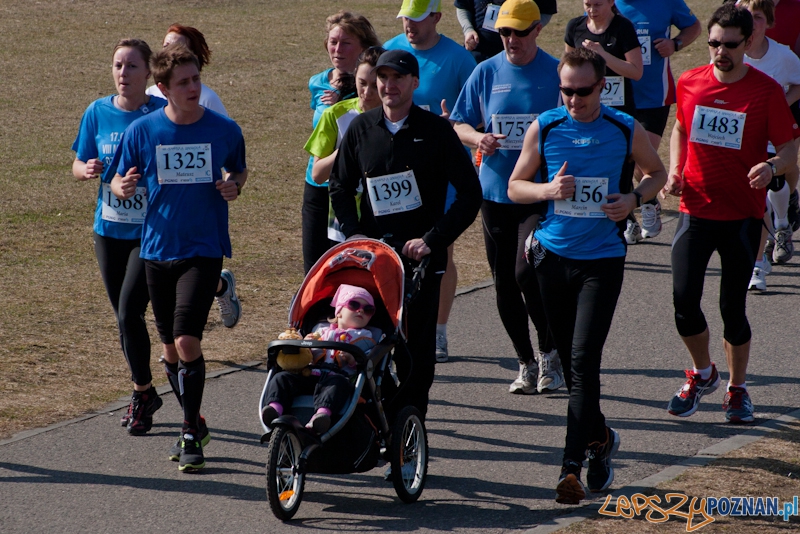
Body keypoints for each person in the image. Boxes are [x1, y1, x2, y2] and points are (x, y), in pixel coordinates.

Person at [507, 48, 667, 504]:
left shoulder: (622, 127)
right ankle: (601, 440)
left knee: (583, 361)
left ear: (602, 87)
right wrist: (547, 189)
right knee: (574, 367)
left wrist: (634, 200)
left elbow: (658, 172)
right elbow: (515, 187)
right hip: (553, 259)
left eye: (582, 91)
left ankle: (570, 469)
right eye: (566, 90)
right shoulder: (547, 124)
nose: (574, 99)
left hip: (602, 260)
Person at [111, 43, 248, 471]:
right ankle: (196, 421)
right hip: (156, 249)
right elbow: (116, 178)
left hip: (203, 248)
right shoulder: (144, 131)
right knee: (169, 349)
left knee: (187, 340)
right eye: (184, 82)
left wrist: (234, 184)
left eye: (196, 79)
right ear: (163, 88)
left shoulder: (224, 129)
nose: (193, 87)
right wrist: (123, 187)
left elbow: (238, 168)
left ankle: (189, 430)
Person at [662, 4, 798, 426]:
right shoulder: (690, 82)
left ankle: (737, 389)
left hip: (740, 215)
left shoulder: (765, 91)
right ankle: (703, 373)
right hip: (695, 209)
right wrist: (675, 169)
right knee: (683, 302)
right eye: (714, 43)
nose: (720, 52)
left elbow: (791, 149)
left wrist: (772, 167)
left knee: (731, 308)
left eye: (729, 45)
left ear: (749, 42)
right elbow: (682, 128)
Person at [329, 50, 483, 418]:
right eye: (382, 77)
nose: (388, 85)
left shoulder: (436, 131)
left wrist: (433, 239)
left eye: (397, 77)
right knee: (373, 341)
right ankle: (380, 420)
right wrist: (354, 237)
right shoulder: (360, 129)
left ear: (415, 83)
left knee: (416, 350)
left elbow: (470, 194)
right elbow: (339, 187)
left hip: (422, 260)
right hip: (375, 259)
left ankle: (409, 427)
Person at [450, 0, 563, 394]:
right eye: (503, 33)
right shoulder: (486, 71)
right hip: (494, 193)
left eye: (518, 32)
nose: (510, 40)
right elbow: (458, 123)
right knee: (503, 284)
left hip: (536, 194)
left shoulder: (555, 72)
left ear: (537, 30)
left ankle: (551, 353)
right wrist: (479, 137)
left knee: (525, 271)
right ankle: (526, 363)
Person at [72, 39, 168, 436]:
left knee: (131, 310)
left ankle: (142, 395)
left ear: (148, 73)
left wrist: (139, 181)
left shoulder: (163, 113)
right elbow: (77, 163)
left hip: (150, 231)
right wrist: (88, 169)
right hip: (107, 229)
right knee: (123, 318)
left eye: (131, 67)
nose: (123, 74)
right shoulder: (97, 112)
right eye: (117, 66)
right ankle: (144, 390)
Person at [385, 0, 478, 363]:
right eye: (407, 18)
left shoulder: (458, 60)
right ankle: (398, 324)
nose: (411, 26)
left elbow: (474, 112)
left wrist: (452, 124)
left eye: (419, 19)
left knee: (441, 249)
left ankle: (438, 330)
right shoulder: (392, 51)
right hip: (397, 171)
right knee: (395, 247)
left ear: (438, 17)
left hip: (442, 168)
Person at [146, 23, 241, 328]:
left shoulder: (209, 102)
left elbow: (229, 156)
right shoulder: (148, 101)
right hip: (159, 226)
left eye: (180, 47)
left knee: (185, 328)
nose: (170, 51)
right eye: (165, 45)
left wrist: (232, 183)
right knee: (170, 330)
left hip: (202, 230)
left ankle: (219, 289)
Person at [615, 0, 701, 240]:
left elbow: (694, 26)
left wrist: (675, 43)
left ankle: (647, 202)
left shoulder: (666, 1)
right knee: (621, 163)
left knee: (640, 159)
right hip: (617, 95)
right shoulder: (606, 4)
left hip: (654, 95)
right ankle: (630, 218)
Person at [303, 12, 382, 274]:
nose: (337, 49)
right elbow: (318, 166)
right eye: (333, 41)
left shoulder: (386, 98)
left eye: (345, 42)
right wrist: (344, 150)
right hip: (324, 185)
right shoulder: (319, 85)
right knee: (320, 272)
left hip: (368, 195)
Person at [564, 0, 644, 245]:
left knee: (619, 173)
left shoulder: (623, 28)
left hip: (616, 113)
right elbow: (567, 68)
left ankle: (621, 224)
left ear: (611, 2)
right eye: (587, 3)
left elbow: (636, 71)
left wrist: (603, 55)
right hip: (584, 114)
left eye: (597, 3)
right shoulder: (575, 27)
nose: (591, 9)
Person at [738, 0, 800, 290]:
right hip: (742, 136)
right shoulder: (733, 53)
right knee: (756, 195)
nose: (752, 22)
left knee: (771, 186)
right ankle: (759, 260)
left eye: (758, 17)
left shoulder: (782, 56)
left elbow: (799, 83)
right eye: (747, 16)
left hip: (773, 133)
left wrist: (777, 106)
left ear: (769, 22)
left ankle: (783, 224)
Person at [261, 284, 377, 434]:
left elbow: (369, 361)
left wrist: (352, 359)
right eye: (354, 305)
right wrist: (306, 345)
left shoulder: (366, 338)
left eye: (368, 310)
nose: (360, 310)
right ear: (339, 312)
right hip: (310, 374)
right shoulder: (321, 330)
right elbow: (305, 353)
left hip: (338, 378)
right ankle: (274, 408)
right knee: (282, 377)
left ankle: (322, 415)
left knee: (337, 385)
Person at [455, 1, 558, 65]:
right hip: (477, 51)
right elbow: (463, 5)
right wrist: (468, 30)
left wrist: (526, 30)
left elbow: (546, 10)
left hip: (516, 55)